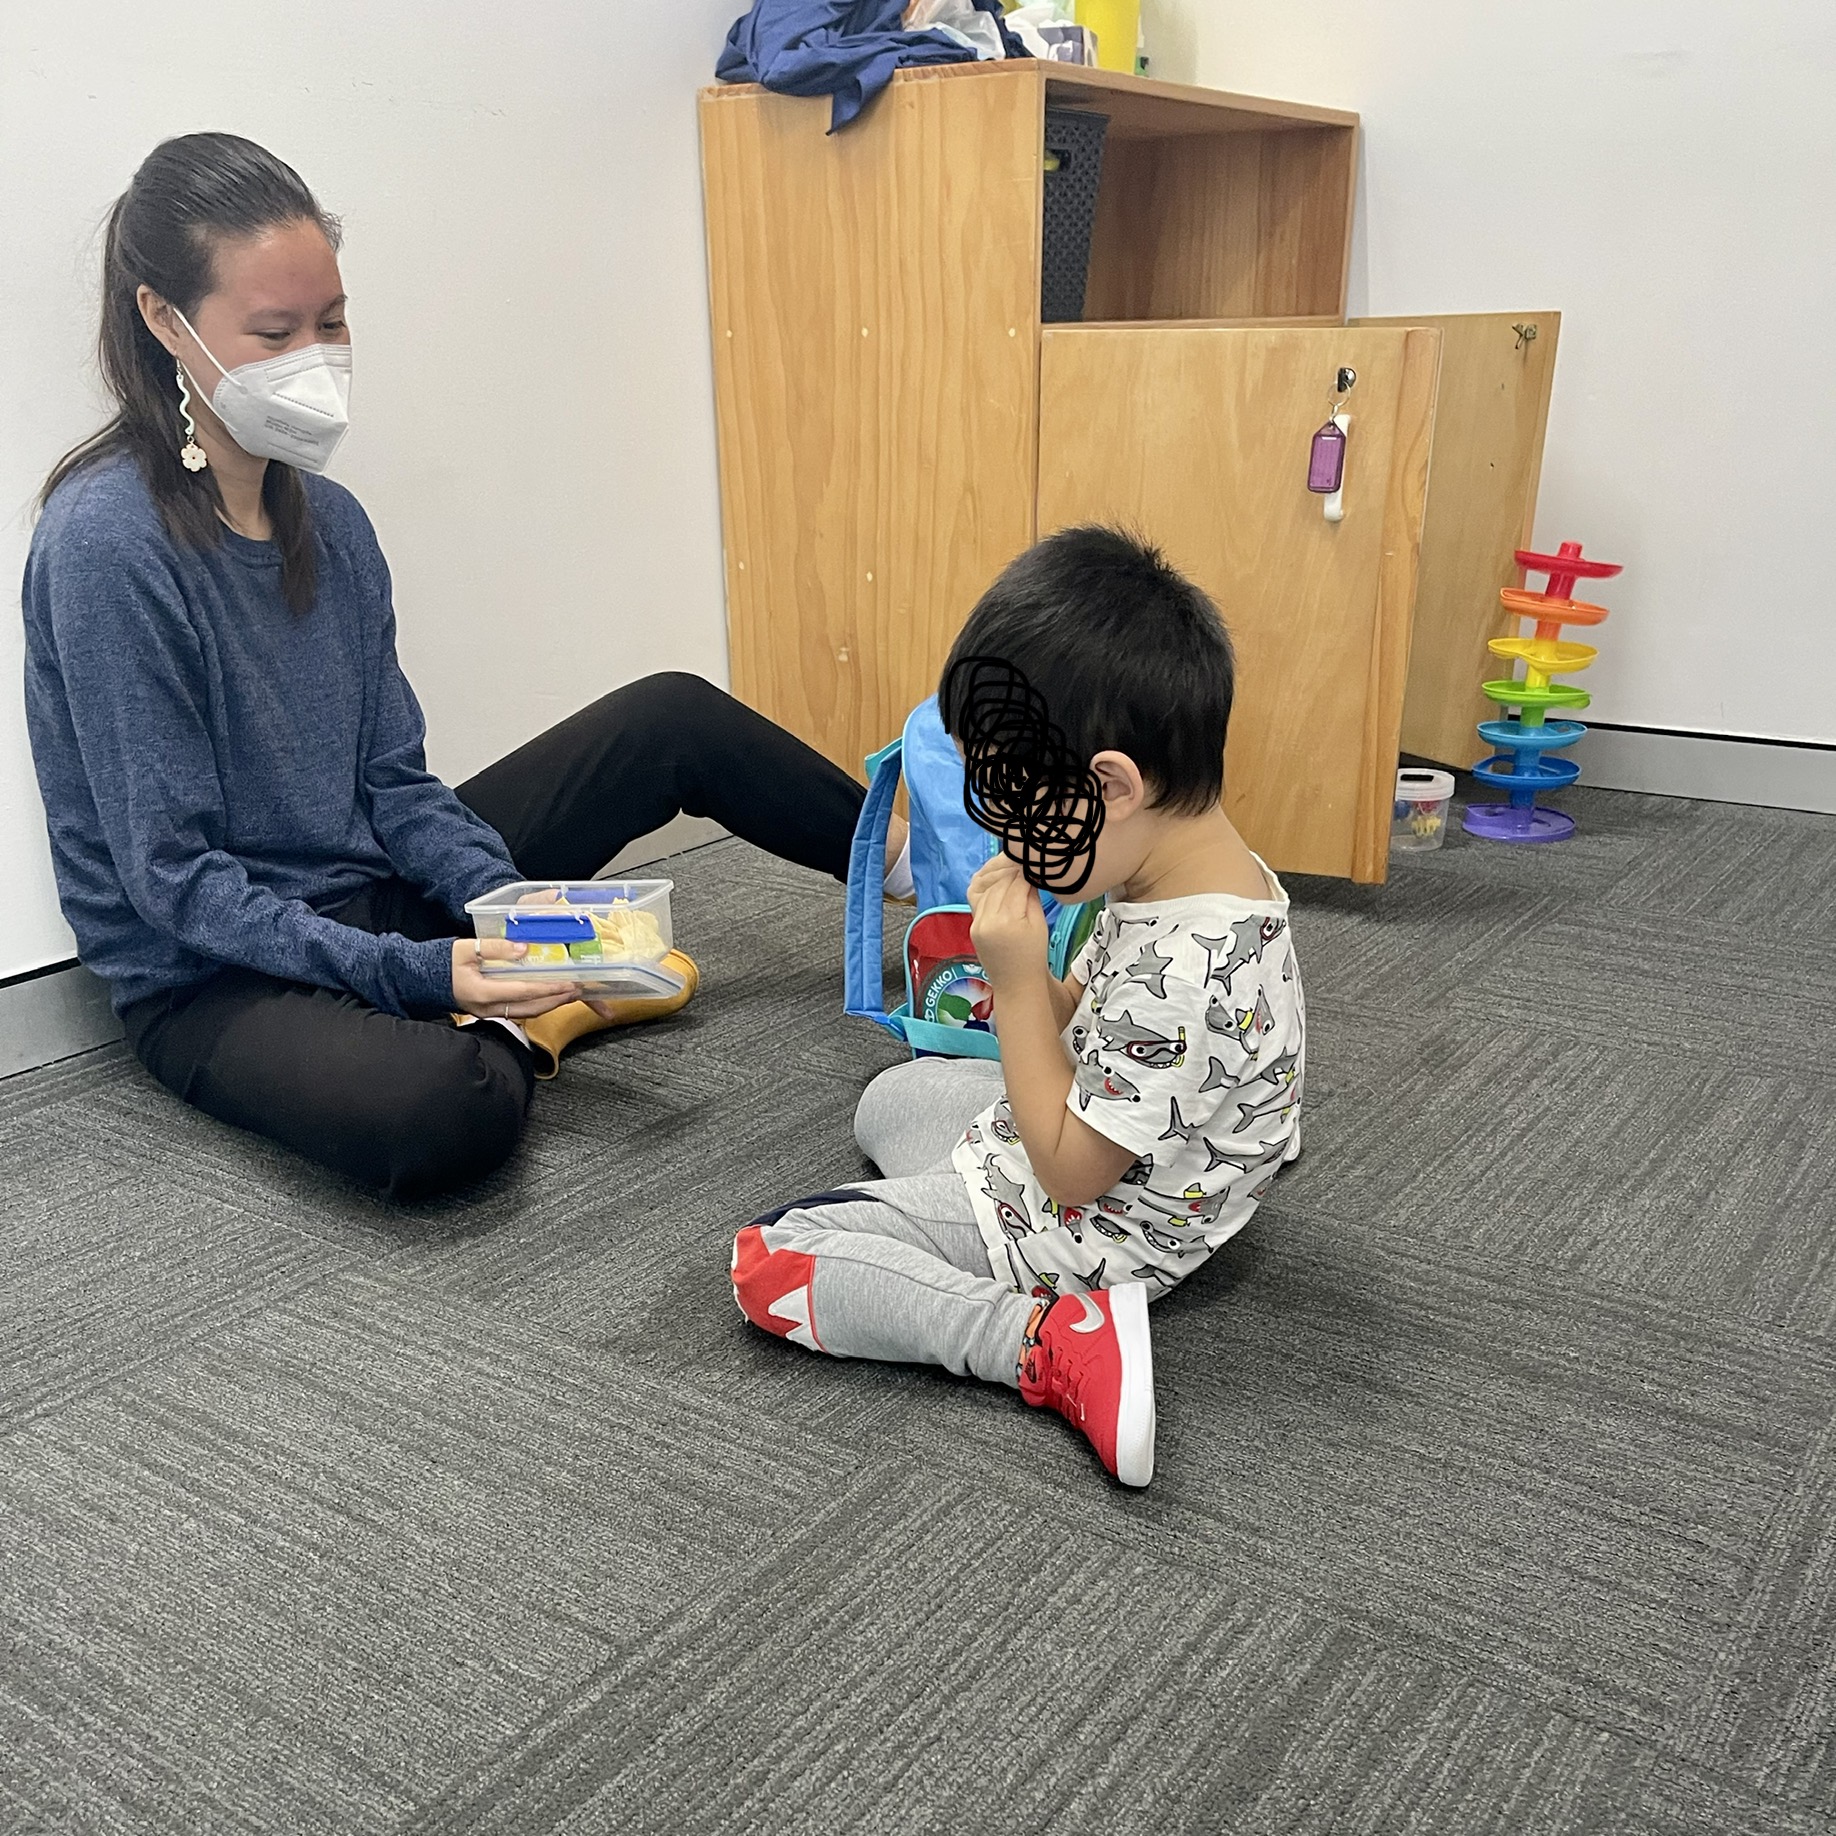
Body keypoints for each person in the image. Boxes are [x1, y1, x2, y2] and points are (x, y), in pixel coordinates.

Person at [23, 132, 904, 1202]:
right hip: (214, 972)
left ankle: (937, 878)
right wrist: (425, 973)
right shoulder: (107, 544)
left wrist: (510, 912)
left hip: (373, 892)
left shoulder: (332, 524)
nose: (317, 355)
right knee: (445, 1116)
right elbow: (177, 885)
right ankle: (529, 1022)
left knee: (671, 715)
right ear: (164, 319)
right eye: (274, 331)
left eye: (332, 320)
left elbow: (394, 785)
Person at [728, 528, 1307, 1487]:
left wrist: (1012, 981)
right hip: (1144, 1173)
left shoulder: (1186, 971)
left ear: (1111, 785)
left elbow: (1073, 1172)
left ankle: (1043, 1341)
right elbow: (1104, 1023)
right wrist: (1046, 993)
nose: (1002, 831)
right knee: (894, 1097)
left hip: (1079, 1225)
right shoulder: (1199, 881)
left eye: (1015, 802)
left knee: (774, 1258)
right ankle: (947, 1223)